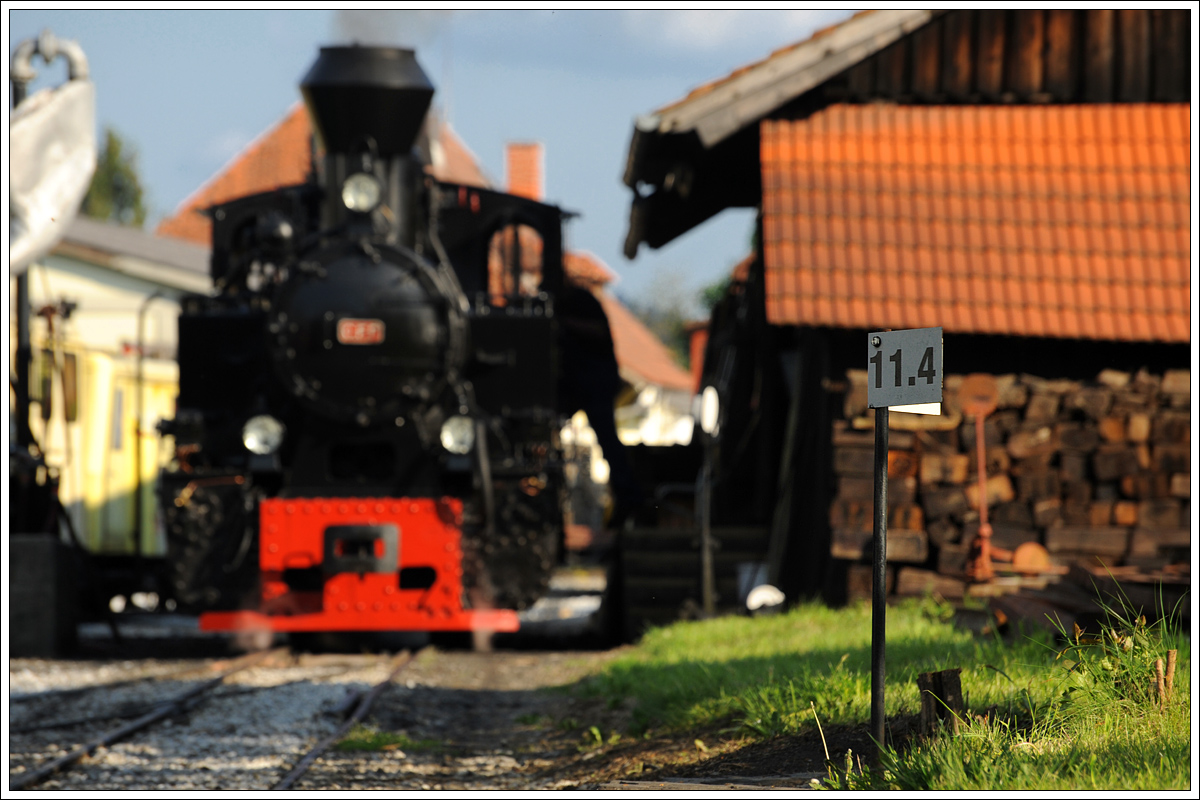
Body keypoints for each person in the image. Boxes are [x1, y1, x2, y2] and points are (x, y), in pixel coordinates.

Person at [556, 282, 643, 528]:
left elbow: (599, 332)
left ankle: (628, 498)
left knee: (608, 441)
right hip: (575, 382)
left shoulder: (581, 300)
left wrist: (564, 323)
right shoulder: (574, 300)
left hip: (595, 382)